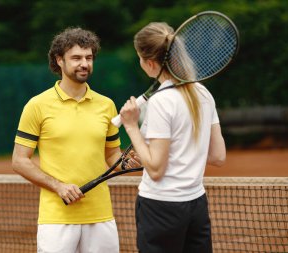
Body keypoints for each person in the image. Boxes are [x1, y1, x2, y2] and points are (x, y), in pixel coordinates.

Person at [12, 27, 134, 253]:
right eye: (76, 58)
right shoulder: (37, 106)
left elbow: (112, 155)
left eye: (88, 58)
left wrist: (133, 162)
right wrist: (58, 187)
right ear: (59, 60)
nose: (84, 64)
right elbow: (19, 160)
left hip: (101, 216)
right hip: (56, 218)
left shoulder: (106, 105)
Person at [119, 22, 226, 253]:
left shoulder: (161, 102)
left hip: (160, 208)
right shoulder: (203, 93)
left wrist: (131, 126)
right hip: (196, 206)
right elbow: (218, 156)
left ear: (149, 63)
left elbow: (156, 169)